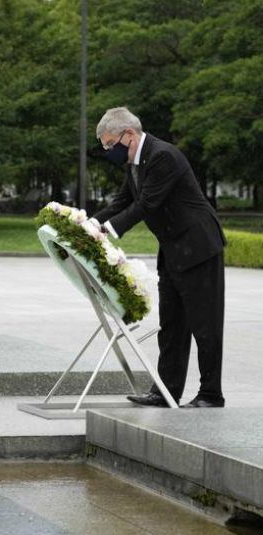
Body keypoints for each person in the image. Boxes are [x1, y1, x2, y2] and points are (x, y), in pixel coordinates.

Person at [90, 107, 226, 409]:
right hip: (174, 249)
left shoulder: (163, 155)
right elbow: (123, 201)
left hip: (199, 247)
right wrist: (88, 225)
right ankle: (165, 392)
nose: (110, 152)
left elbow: (148, 204)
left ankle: (210, 395)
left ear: (129, 134)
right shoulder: (134, 162)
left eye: (111, 145)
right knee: (172, 325)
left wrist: (106, 230)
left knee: (205, 325)